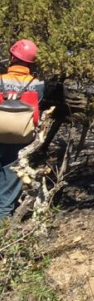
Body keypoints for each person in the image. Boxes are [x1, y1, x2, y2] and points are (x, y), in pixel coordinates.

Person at [0, 39, 44, 219]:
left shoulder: (1, 80)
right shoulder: (38, 84)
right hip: (21, 138)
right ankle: (3, 222)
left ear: (12, 57)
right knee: (10, 181)